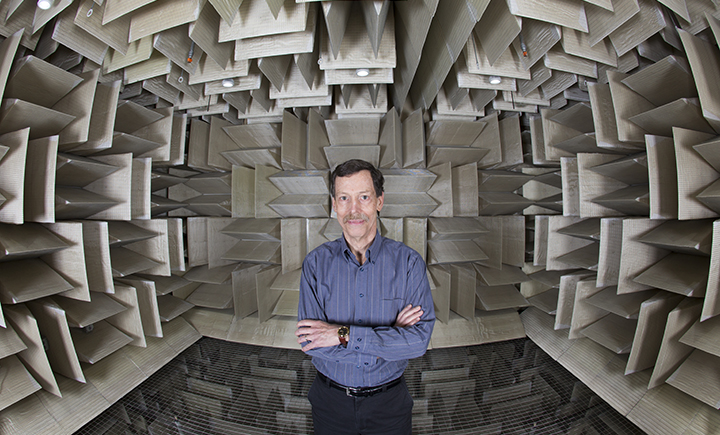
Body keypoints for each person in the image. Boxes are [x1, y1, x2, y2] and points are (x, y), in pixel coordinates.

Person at [295, 159, 436, 435]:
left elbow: (418, 343)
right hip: (330, 403)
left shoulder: (408, 263)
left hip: (389, 405)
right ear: (334, 204)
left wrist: (340, 334)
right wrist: (391, 336)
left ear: (379, 202)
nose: (354, 210)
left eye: (364, 197)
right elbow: (312, 342)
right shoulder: (315, 264)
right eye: (344, 198)